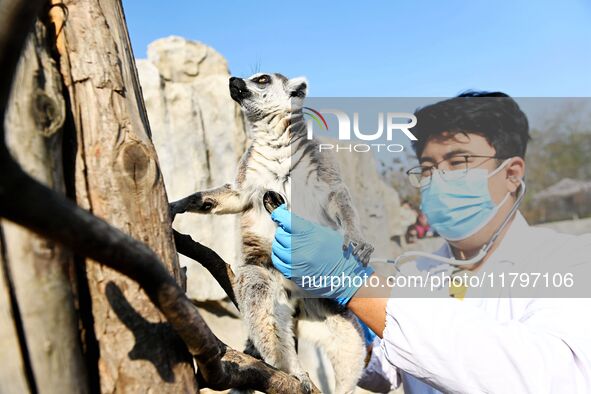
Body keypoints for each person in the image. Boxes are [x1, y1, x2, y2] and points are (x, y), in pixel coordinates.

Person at [269, 92, 591, 393]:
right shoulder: (419, 271)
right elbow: (390, 367)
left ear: (511, 173)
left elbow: (547, 377)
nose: (437, 179)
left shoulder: (569, 261)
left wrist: (356, 285)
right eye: (427, 168)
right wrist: (347, 327)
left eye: (458, 161)